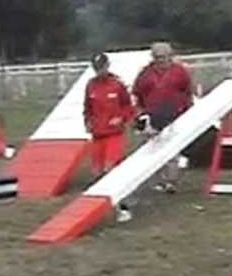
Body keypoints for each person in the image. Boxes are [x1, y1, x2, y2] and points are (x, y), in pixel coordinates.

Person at [131, 41, 195, 194]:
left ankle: (171, 181)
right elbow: (137, 92)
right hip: (152, 115)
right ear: (153, 57)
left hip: (174, 114)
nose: (161, 60)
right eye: (158, 57)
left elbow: (187, 90)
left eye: (164, 57)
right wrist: (141, 112)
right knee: (152, 149)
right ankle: (156, 181)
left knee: (172, 149)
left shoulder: (180, 71)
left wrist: (187, 108)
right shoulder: (145, 73)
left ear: (170, 56)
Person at [83, 53, 135, 221]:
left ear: (107, 66)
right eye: (96, 69)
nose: (99, 72)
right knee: (97, 173)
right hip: (97, 134)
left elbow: (128, 106)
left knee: (111, 169)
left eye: (102, 68)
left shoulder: (117, 84)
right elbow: (87, 108)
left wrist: (122, 118)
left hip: (114, 134)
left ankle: (124, 206)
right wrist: (88, 121)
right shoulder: (90, 85)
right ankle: (105, 206)